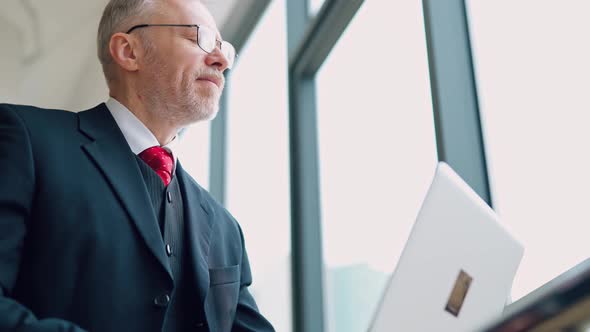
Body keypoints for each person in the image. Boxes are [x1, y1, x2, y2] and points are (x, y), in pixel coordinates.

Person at [0, 0, 275, 331]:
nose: (220, 61)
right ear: (129, 51)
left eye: (223, 48)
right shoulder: (26, 141)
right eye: (196, 38)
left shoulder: (226, 228)